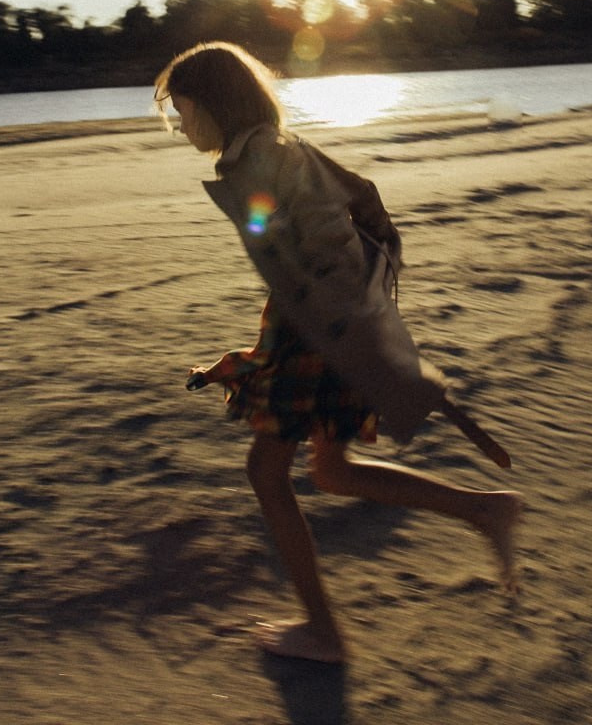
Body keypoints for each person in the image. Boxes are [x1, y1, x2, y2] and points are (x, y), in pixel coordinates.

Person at [154, 41, 522, 665]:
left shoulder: (260, 163)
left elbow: (312, 265)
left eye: (183, 111)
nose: (181, 126)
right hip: (327, 330)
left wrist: (273, 352)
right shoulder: (273, 149)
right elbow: (363, 200)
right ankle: (485, 510)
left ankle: (324, 635)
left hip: (323, 336)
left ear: (214, 105)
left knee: (266, 475)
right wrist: (261, 351)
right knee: (332, 472)